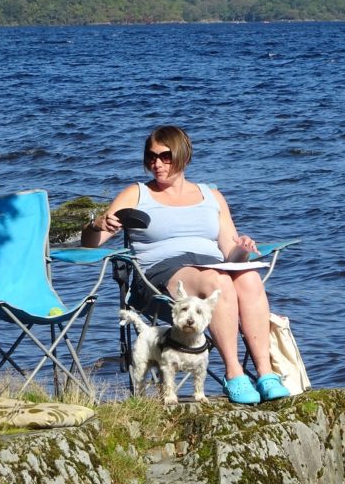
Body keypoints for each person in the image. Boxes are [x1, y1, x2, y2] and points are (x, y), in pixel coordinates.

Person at [81, 124, 290, 404]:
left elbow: (229, 251)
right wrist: (97, 224)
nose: (157, 164)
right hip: (159, 277)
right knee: (217, 281)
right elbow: (90, 243)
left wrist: (242, 248)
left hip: (213, 267)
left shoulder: (211, 196)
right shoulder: (137, 193)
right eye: (151, 157)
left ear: (183, 156)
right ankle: (234, 374)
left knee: (249, 278)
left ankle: (266, 374)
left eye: (165, 156)